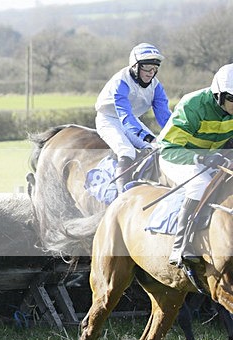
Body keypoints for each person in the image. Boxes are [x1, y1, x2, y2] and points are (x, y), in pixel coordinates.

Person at [157, 63, 233, 267]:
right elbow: (169, 148)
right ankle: (180, 246)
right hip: (177, 157)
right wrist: (201, 158)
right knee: (201, 184)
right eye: (232, 99)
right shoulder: (193, 105)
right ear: (218, 95)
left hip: (213, 158)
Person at [95, 43, 172, 193]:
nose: (151, 73)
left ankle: (143, 181)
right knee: (126, 151)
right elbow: (125, 116)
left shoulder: (156, 86)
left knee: (156, 148)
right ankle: (121, 195)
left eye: (155, 68)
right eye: (147, 68)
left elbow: (164, 116)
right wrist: (148, 137)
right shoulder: (121, 81)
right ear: (135, 66)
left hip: (132, 120)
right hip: (108, 119)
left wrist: (177, 134)